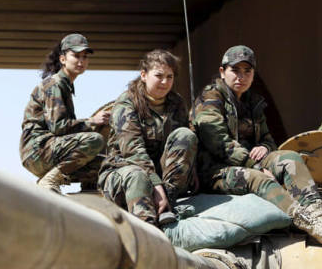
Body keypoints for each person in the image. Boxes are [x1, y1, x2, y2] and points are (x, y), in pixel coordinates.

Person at [190, 45, 322, 247]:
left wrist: (265, 146)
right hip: (214, 171)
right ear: (223, 72)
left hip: (247, 162)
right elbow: (219, 142)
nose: (241, 77)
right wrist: (255, 166)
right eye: (235, 70)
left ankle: (319, 215)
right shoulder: (210, 98)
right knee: (259, 178)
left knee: (290, 158)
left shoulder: (253, 102)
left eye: (247, 71)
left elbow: (269, 139)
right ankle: (304, 221)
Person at [98, 49, 197, 226]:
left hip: (163, 179)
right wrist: (156, 186)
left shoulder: (177, 103)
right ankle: (147, 229)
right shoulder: (127, 103)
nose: (165, 82)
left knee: (186, 135)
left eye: (170, 76)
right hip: (125, 171)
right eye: (159, 76)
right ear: (144, 75)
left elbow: (182, 145)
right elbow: (133, 152)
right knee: (138, 176)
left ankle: (168, 204)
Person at [20, 33, 110, 192]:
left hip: (48, 150)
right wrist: (92, 122)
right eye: (76, 56)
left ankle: (89, 194)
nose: (81, 61)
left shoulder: (66, 85)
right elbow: (58, 127)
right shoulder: (55, 84)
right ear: (63, 59)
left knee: (107, 163)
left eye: (85, 57)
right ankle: (50, 180)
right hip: (38, 150)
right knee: (94, 140)